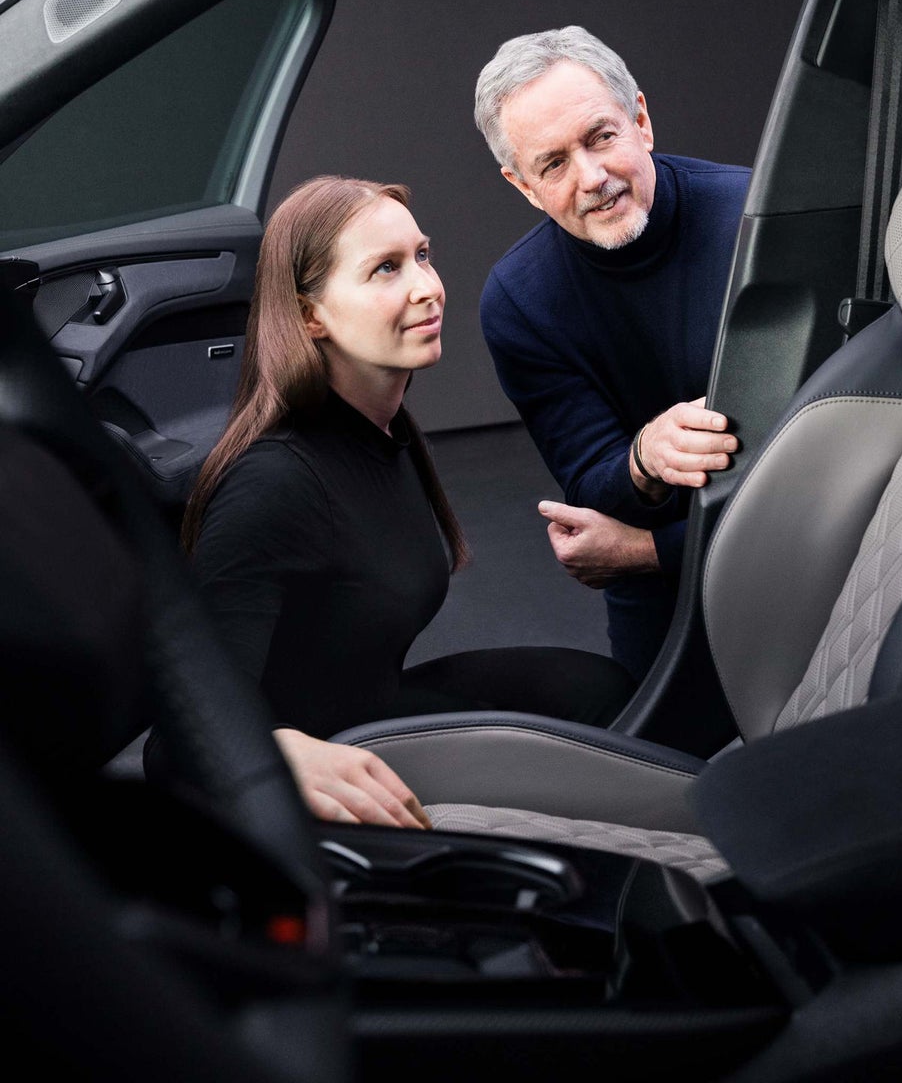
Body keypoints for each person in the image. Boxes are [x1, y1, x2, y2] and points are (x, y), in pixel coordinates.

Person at [148, 175, 634, 825]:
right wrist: (282, 752)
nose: (428, 287)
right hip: (324, 776)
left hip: (370, 707)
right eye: (384, 269)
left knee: (600, 696)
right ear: (310, 313)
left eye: (422, 256)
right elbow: (180, 736)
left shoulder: (382, 432)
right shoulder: (275, 483)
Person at [475, 27, 748, 680]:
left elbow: (833, 473)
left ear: (641, 122)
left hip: (817, 554)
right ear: (522, 186)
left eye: (601, 137)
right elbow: (597, 488)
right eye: (554, 163)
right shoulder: (518, 301)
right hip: (673, 604)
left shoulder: (759, 221)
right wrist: (645, 458)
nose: (592, 177)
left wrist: (649, 549)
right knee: (662, 773)